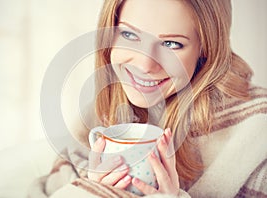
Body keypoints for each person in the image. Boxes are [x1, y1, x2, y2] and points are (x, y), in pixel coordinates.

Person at [29, 0, 267, 197]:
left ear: (206, 49)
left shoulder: (257, 133)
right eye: (129, 34)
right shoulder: (103, 109)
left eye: (171, 43)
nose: (145, 64)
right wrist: (93, 189)